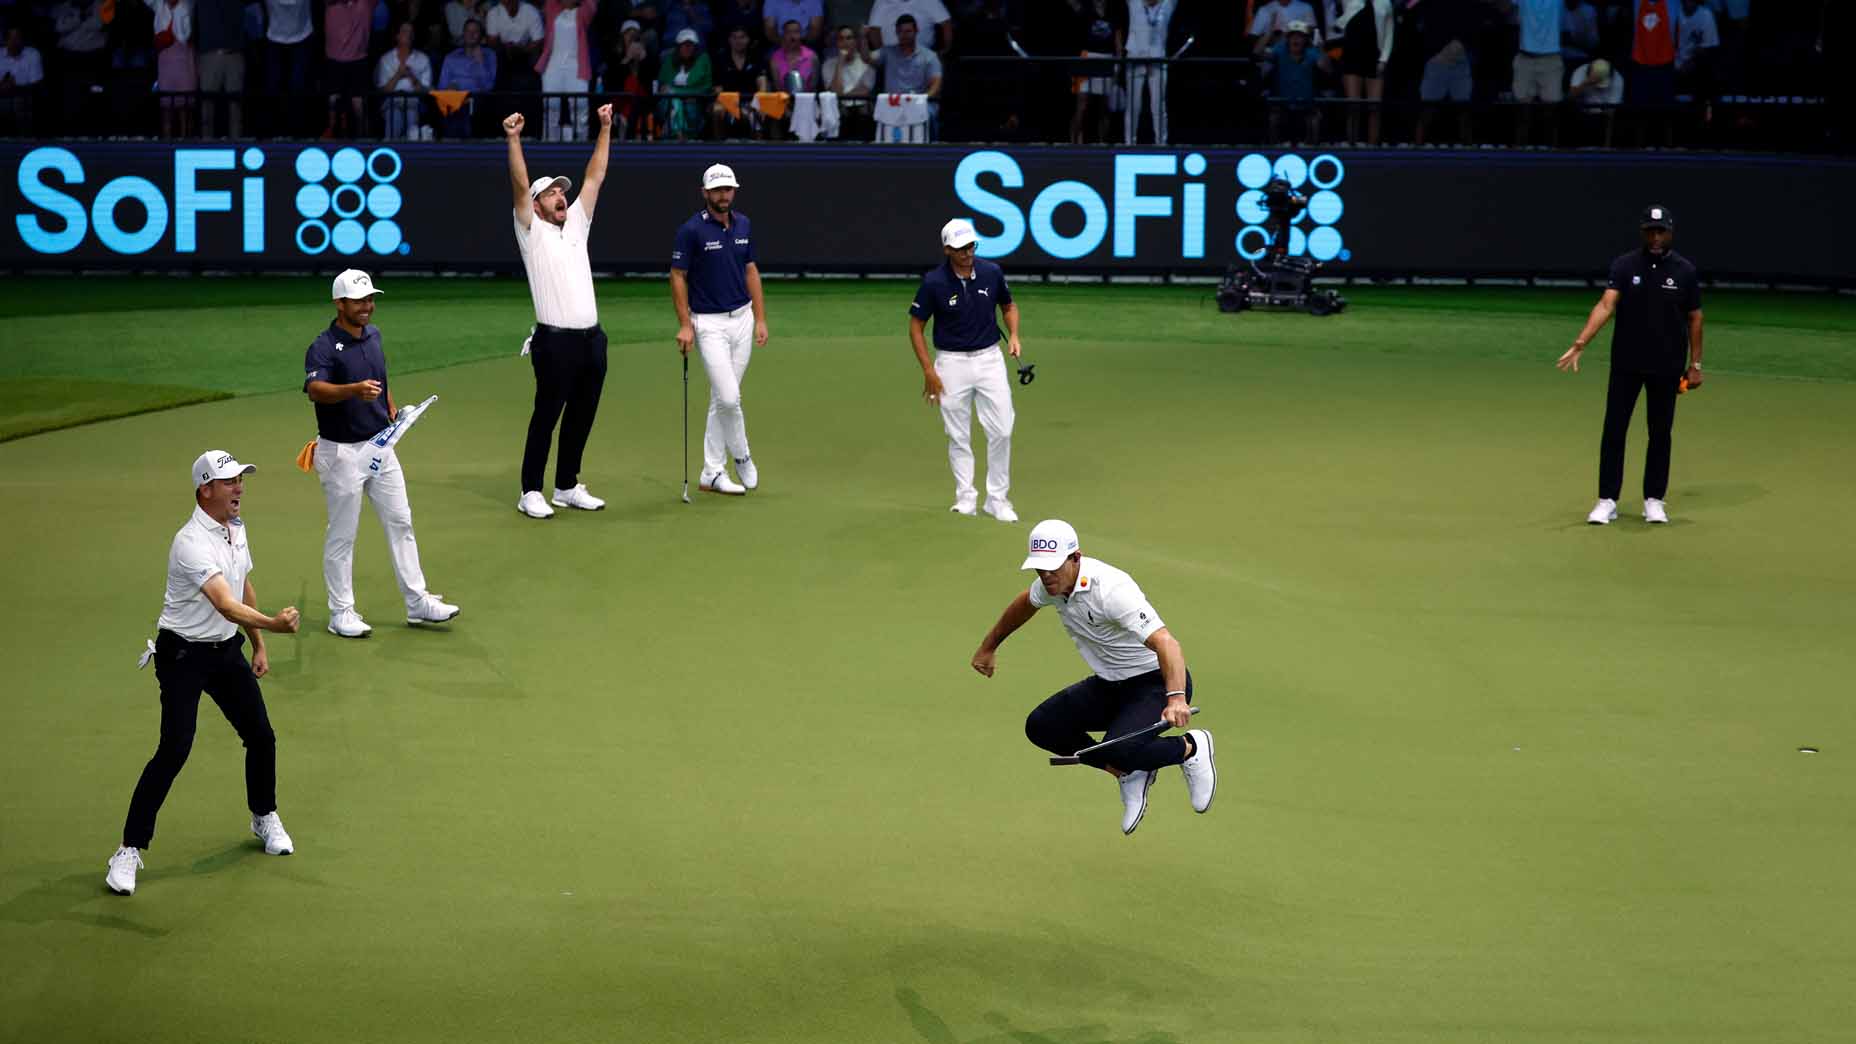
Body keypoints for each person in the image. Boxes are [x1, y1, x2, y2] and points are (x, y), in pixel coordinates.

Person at [104, 450, 303, 897]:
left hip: (225, 651)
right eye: (230, 481)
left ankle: (264, 816)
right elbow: (225, 603)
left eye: (241, 479)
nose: (240, 487)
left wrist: (258, 643)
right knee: (175, 748)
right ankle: (128, 849)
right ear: (205, 489)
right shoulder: (189, 542)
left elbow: (242, 585)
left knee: (261, 736)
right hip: (183, 656)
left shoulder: (236, 528)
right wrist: (274, 624)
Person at [970, 519, 1216, 836]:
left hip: (1155, 684)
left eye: (1052, 568)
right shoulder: (1052, 586)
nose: (1045, 576)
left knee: (1119, 747)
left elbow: (1166, 643)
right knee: (1042, 726)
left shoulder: (1111, 590)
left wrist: (1176, 697)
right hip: (1109, 686)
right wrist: (988, 647)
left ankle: (1190, 748)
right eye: (1040, 569)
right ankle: (1127, 772)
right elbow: (1025, 603)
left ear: (1076, 558)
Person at [303, 271, 461, 637]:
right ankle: (341, 613)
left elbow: (379, 377)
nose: (367, 306)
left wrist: (390, 408)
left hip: (380, 447)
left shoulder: (373, 336)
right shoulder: (323, 346)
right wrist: (353, 390)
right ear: (340, 303)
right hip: (341, 454)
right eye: (359, 301)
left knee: (401, 521)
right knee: (343, 535)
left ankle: (417, 602)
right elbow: (315, 390)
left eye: (370, 299)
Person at [1556, 204, 1704, 526]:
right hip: (1626, 363)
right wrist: (1581, 342)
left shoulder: (1685, 271)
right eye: (1650, 232)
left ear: (1670, 233)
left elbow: (1695, 317)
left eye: (1661, 231)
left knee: (1660, 433)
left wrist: (1695, 363)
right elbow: (1606, 304)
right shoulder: (1625, 265)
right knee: (1614, 430)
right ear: (1642, 232)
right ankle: (1607, 500)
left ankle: (1654, 500)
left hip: (1667, 365)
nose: (1655, 238)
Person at [504, 104, 616, 519]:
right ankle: (530, 490)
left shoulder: (577, 226)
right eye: (550, 192)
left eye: (560, 191)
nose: (559, 195)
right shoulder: (530, 231)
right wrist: (514, 138)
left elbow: (595, 176)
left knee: (582, 415)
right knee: (547, 415)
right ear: (535, 205)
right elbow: (519, 185)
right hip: (554, 342)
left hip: (592, 339)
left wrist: (605, 127)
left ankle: (566, 485)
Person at [907, 218, 1021, 522]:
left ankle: (997, 500)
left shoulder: (991, 272)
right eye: (961, 248)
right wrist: (929, 371)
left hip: (989, 359)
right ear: (947, 249)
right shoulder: (933, 282)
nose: (968, 252)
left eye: (971, 246)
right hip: (951, 363)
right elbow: (916, 327)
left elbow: (1008, 306)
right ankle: (965, 498)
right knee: (958, 434)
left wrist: (1014, 335)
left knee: (1003, 429)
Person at [670, 163, 769, 497]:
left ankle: (712, 472)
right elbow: (677, 276)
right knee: (728, 397)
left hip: (742, 318)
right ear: (705, 193)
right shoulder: (691, 230)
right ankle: (742, 455)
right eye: (717, 190)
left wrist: (760, 318)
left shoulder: (744, 224)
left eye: (727, 189)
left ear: (734, 191)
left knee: (722, 400)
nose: (723, 195)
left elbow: (750, 270)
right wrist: (685, 324)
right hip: (708, 323)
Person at [1258, 19, 1328, 143]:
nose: (1296, 39)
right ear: (1287, 39)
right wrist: (1269, 33)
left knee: (1315, 119)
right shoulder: (1279, 51)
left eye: (1300, 36)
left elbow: (1326, 68)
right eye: (1292, 36)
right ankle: (1275, 148)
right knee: (1273, 118)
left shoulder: (1312, 53)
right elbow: (1257, 53)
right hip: (1282, 104)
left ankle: (1311, 149)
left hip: (1306, 104)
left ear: (1306, 39)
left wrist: (1321, 49)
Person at [536, 0, 596, 141]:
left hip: (576, 66)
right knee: (551, 106)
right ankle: (549, 143)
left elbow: (591, 5)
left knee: (580, 106)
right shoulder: (552, 9)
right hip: (553, 66)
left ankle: (581, 143)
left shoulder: (583, 13)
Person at [1334, 0, 1390, 143]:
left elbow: (1389, 34)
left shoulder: (1385, 3)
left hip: (1374, 57)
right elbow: (1339, 25)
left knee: (1375, 108)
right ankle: (1352, 145)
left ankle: (1373, 147)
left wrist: (1383, 60)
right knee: (1353, 106)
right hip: (1352, 56)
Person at [1122, 0, 1176, 145]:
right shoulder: (1134, 2)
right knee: (1133, 105)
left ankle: (1161, 144)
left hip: (1158, 59)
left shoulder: (1168, 4)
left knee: (1158, 106)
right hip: (1135, 58)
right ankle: (1129, 143)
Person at [1512, 0, 1563, 145]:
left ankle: (1551, 152)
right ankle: (1519, 151)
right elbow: (1504, 7)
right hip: (1525, 57)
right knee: (1522, 111)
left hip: (1551, 58)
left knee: (1551, 112)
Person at [439, 18, 498, 136]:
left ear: (481, 36)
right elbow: (441, 87)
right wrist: (449, 88)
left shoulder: (489, 55)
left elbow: (488, 87)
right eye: (468, 31)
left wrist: (480, 63)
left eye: (475, 31)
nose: (471, 34)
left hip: (478, 101)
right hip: (454, 100)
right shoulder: (451, 57)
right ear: (463, 34)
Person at [147, 0, 197, 139]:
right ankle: (166, 145)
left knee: (185, 110)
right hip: (165, 60)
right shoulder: (159, 4)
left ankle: (186, 144)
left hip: (184, 59)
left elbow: (186, 34)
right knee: (166, 110)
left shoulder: (187, 4)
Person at [376, 21, 434, 139]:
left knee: (411, 115)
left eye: (411, 32)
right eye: (405, 31)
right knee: (395, 115)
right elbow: (384, 90)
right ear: (397, 36)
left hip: (414, 102)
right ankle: (391, 146)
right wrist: (398, 74)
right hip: (392, 102)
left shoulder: (423, 59)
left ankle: (411, 147)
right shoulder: (386, 59)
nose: (409, 34)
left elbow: (426, 90)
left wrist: (411, 76)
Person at [656, 27, 713, 139]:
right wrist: (683, 94)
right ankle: (680, 135)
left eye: (690, 45)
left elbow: (706, 87)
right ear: (678, 47)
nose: (687, 48)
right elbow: (662, 86)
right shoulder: (669, 60)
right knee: (675, 101)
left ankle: (676, 133)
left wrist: (676, 91)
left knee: (676, 99)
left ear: (695, 47)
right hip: (667, 104)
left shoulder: (703, 60)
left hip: (695, 102)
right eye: (684, 45)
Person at [712, 24, 766, 137]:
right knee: (717, 109)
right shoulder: (721, 59)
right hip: (728, 100)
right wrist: (730, 104)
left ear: (748, 40)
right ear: (729, 40)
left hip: (751, 101)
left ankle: (758, 143)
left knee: (761, 109)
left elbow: (762, 84)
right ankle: (719, 143)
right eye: (734, 37)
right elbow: (718, 89)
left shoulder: (755, 57)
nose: (738, 41)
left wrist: (757, 102)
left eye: (742, 37)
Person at [0, 27, 46, 134]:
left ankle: (24, 138)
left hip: (25, 95)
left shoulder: (32, 54)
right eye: (11, 38)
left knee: (19, 101)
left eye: (17, 38)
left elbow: (37, 85)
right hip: (2, 95)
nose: (14, 42)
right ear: (5, 41)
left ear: (23, 40)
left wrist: (13, 88)